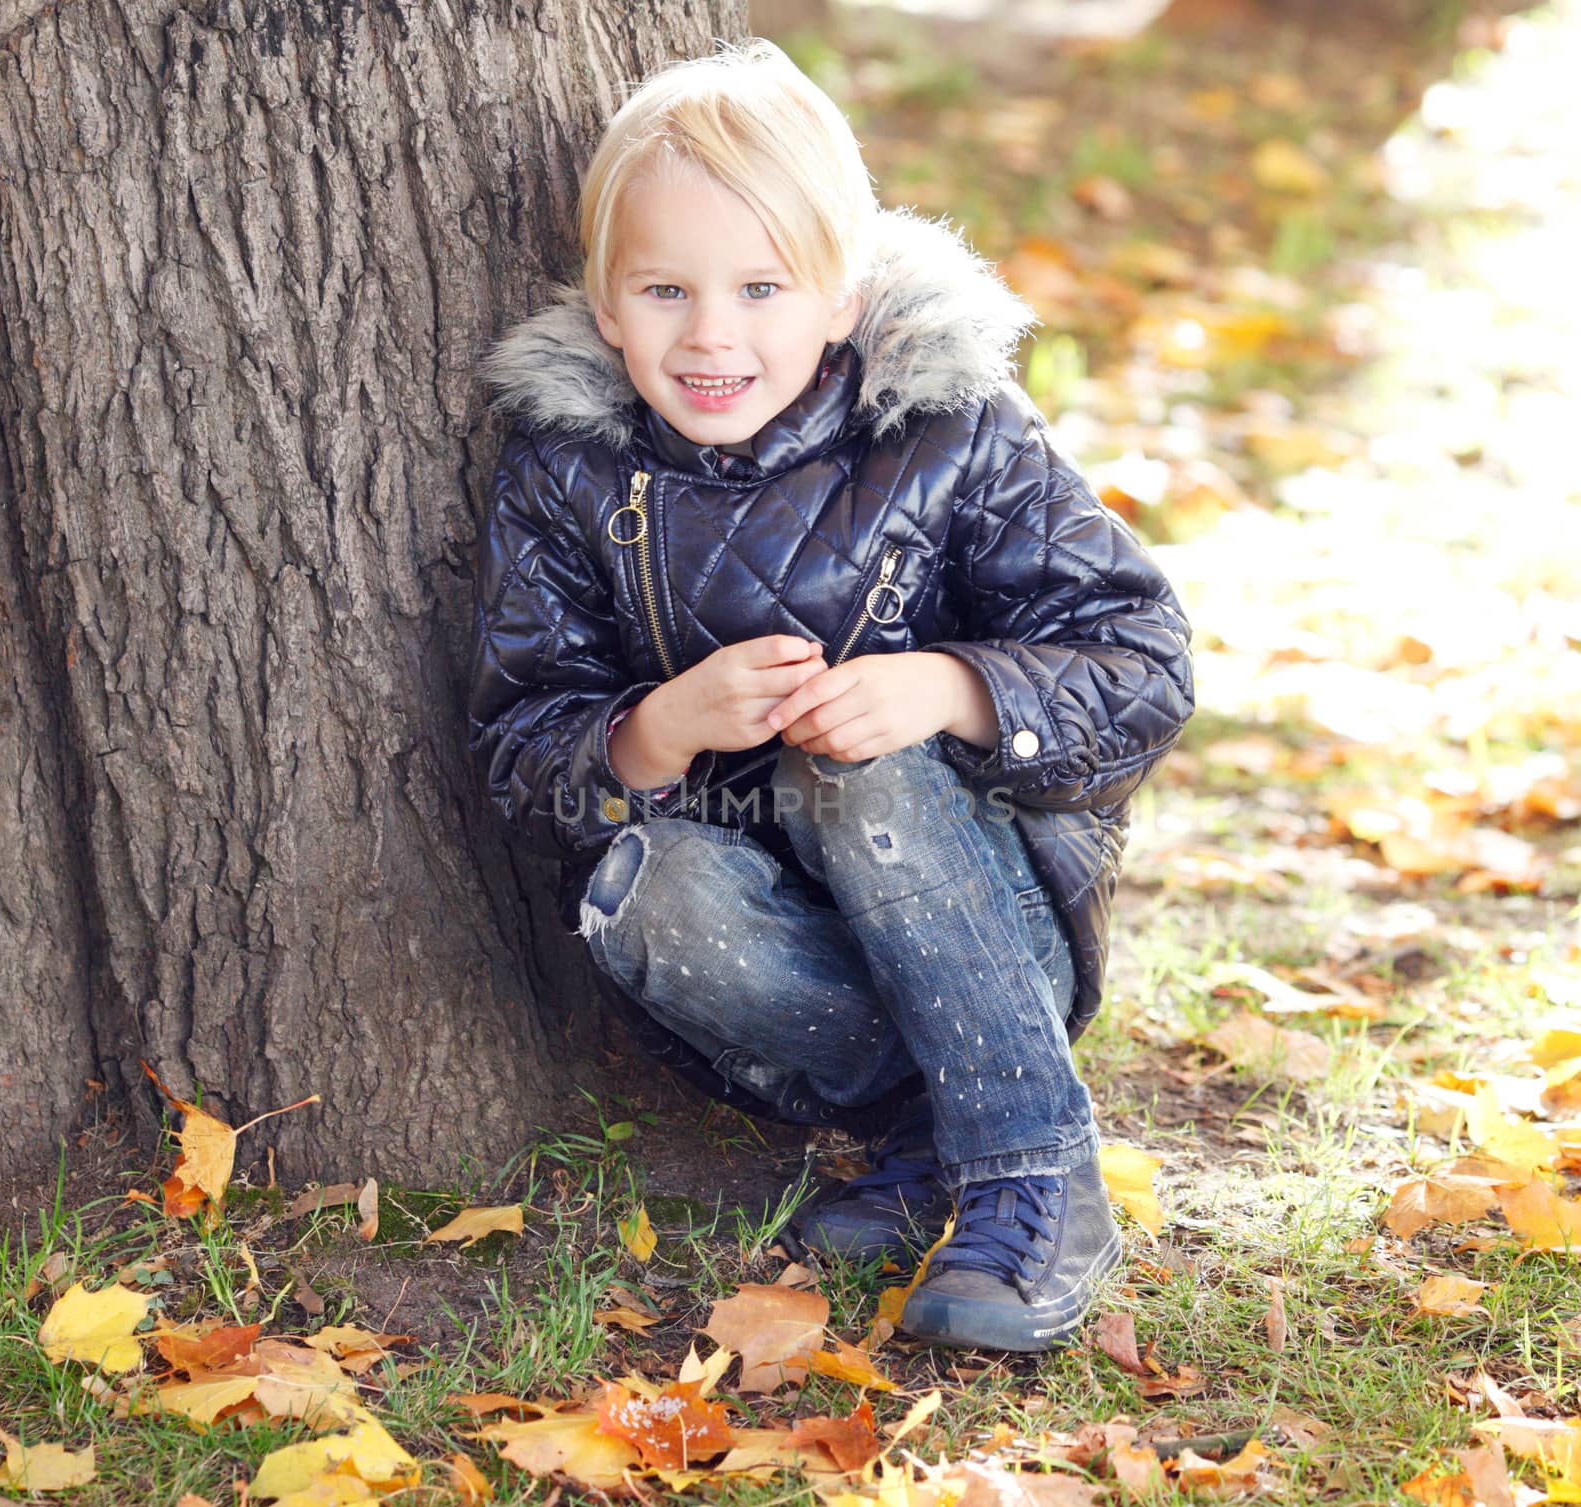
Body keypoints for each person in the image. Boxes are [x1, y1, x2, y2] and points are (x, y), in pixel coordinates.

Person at [468, 38, 1193, 1353]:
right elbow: (519, 735)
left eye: (760, 286)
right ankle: (935, 1134)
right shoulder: (567, 465)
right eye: (667, 290)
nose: (713, 335)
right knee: (647, 893)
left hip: (986, 910)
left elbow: (1144, 660)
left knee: (848, 763)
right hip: (791, 942)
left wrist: (948, 689)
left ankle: (1037, 1170)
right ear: (608, 303)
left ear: (842, 296)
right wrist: (652, 731)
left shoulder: (945, 424)